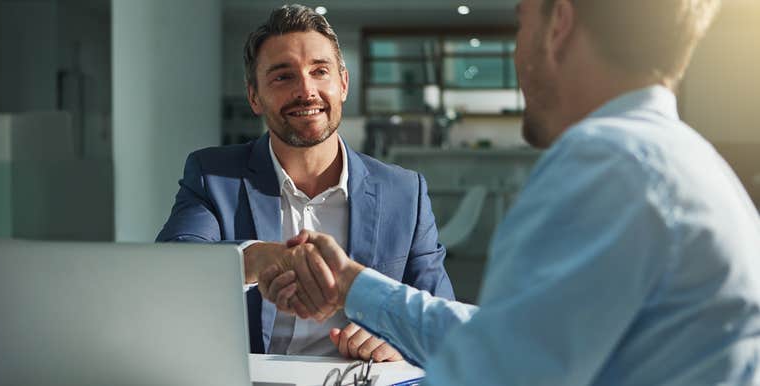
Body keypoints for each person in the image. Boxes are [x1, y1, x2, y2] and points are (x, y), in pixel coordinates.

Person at [260, 0, 760, 384]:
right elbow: (510, 338)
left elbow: (489, 372)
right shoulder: (682, 160)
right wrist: (354, 286)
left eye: (522, 23)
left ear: (559, 24)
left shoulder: (606, 162)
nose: (519, 51)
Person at [156, 4, 454, 360]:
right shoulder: (212, 175)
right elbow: (170, 269)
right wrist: (258, 258)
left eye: (319, 71)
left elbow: (441, 319)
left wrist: (401, 340)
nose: (306, 90)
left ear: (343, 84)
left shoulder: (405, 193)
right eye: (283, 77)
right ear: (254, 97)